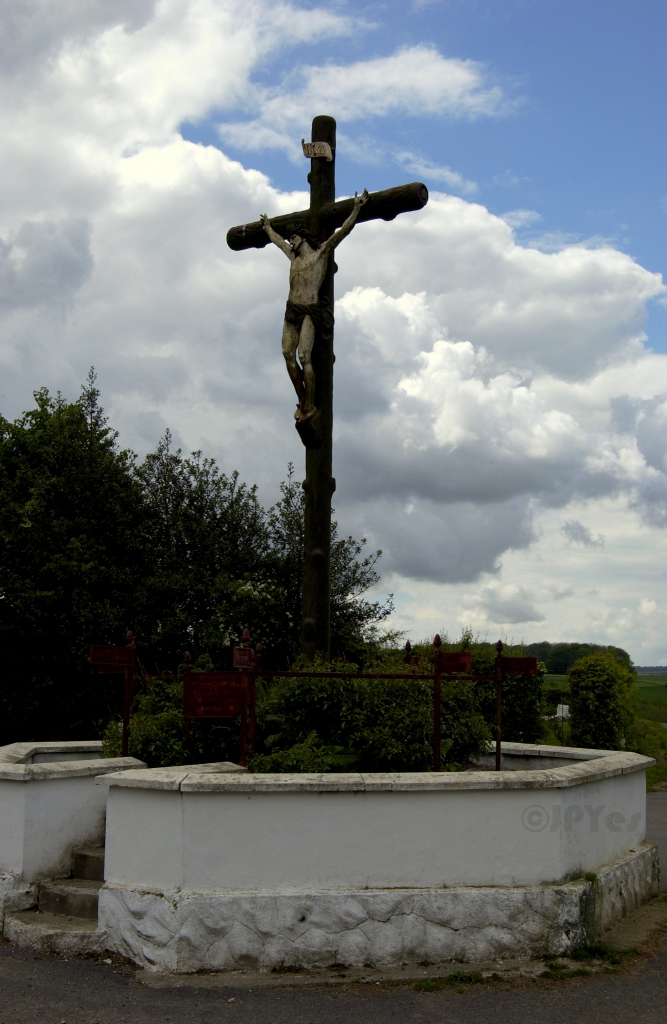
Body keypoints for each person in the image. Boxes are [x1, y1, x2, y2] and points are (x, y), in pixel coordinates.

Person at [260, 189, 369, 422]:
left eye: (295, 238)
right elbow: (278, 242)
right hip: (292, 309)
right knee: (287, 354)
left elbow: (341, 233)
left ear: (304, 237)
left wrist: (356, 208)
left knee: (304, 356)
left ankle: (310, 404)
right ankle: (301, 399)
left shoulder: (319, 254)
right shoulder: (294, 257)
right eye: (291, 239)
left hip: (310, 310)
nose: (291, 241)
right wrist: (268, 227)